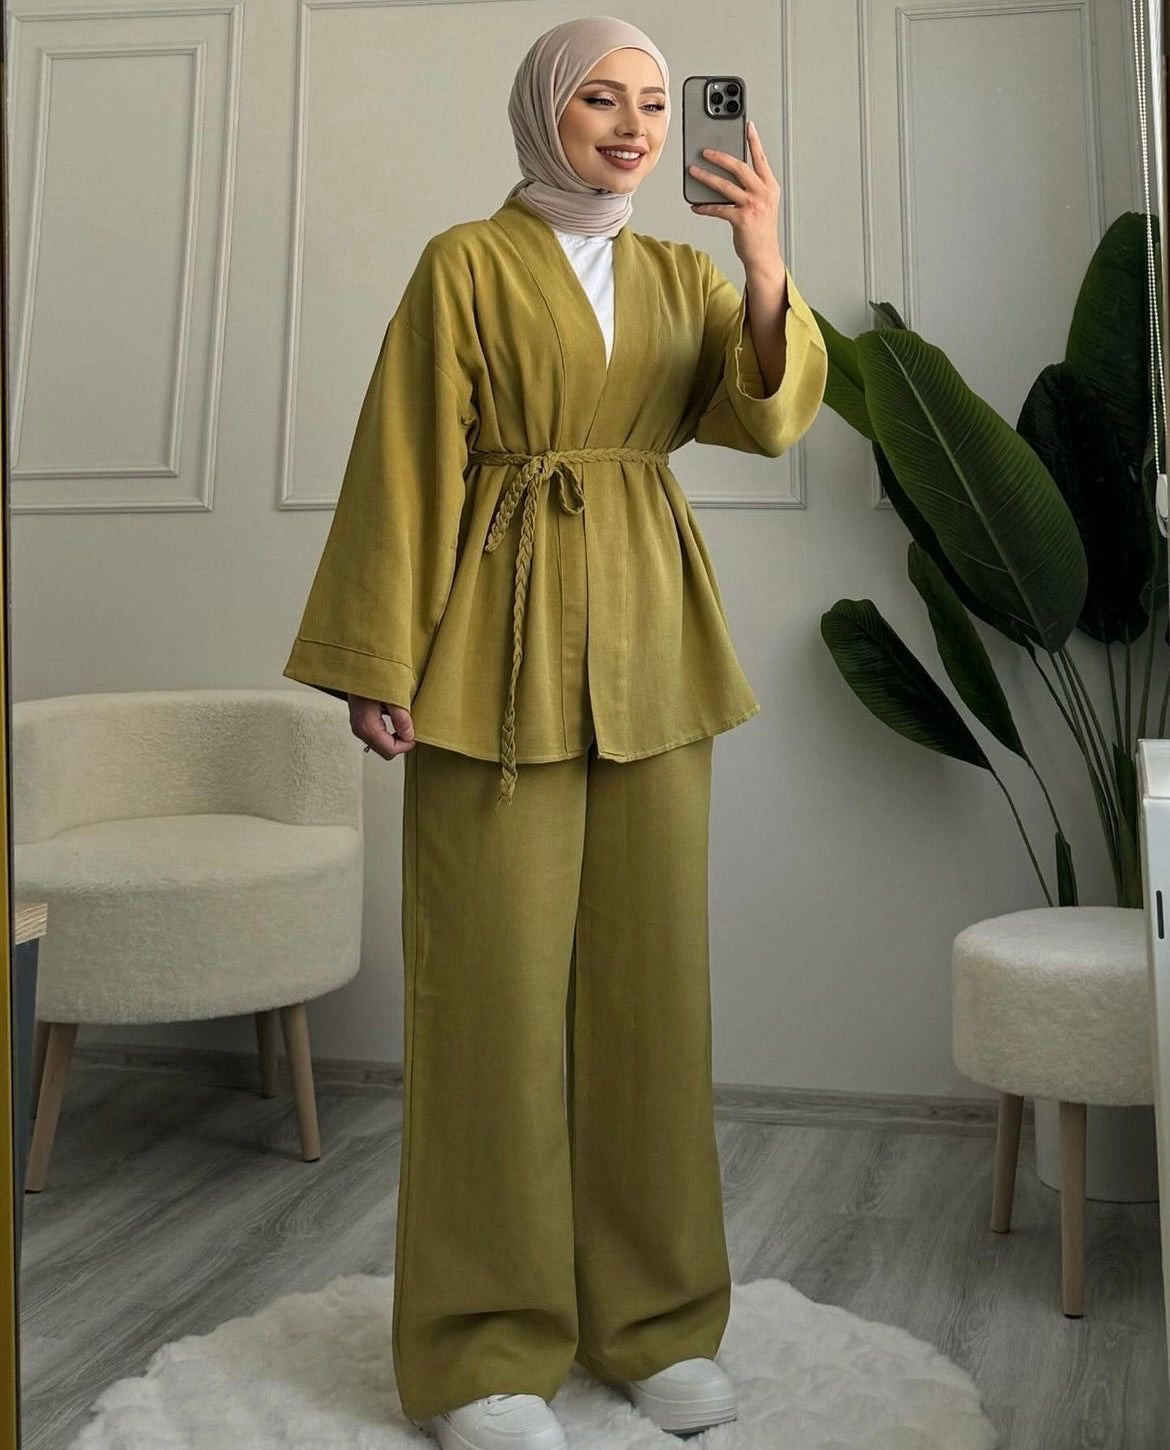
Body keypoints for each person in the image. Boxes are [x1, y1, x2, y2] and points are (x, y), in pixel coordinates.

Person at [283, 16, 828, 1450]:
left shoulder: (683, 275)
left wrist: (763, 258)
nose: (634, 126)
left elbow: (766, 418)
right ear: (543, 112)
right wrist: (378, 654)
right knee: (491, 1002)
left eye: (654, 101)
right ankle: (483, 1350)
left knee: (653, 999)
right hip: (491, 645)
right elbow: (408, 458)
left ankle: (658, 1324)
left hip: (651, 640)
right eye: (601, 98)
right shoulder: (465, 263)